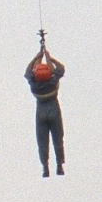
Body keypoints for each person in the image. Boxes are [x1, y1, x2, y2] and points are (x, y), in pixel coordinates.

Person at [25, 37, 66, 177]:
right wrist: (49, 58)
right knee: (58, 138)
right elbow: (59, 69)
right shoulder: (52, 81)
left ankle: (45, 167)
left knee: (42, 141)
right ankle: (59, 165)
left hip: (41, 112)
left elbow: (28, 72)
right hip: (54, 110)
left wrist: (37, 56)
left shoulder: (35, 84)